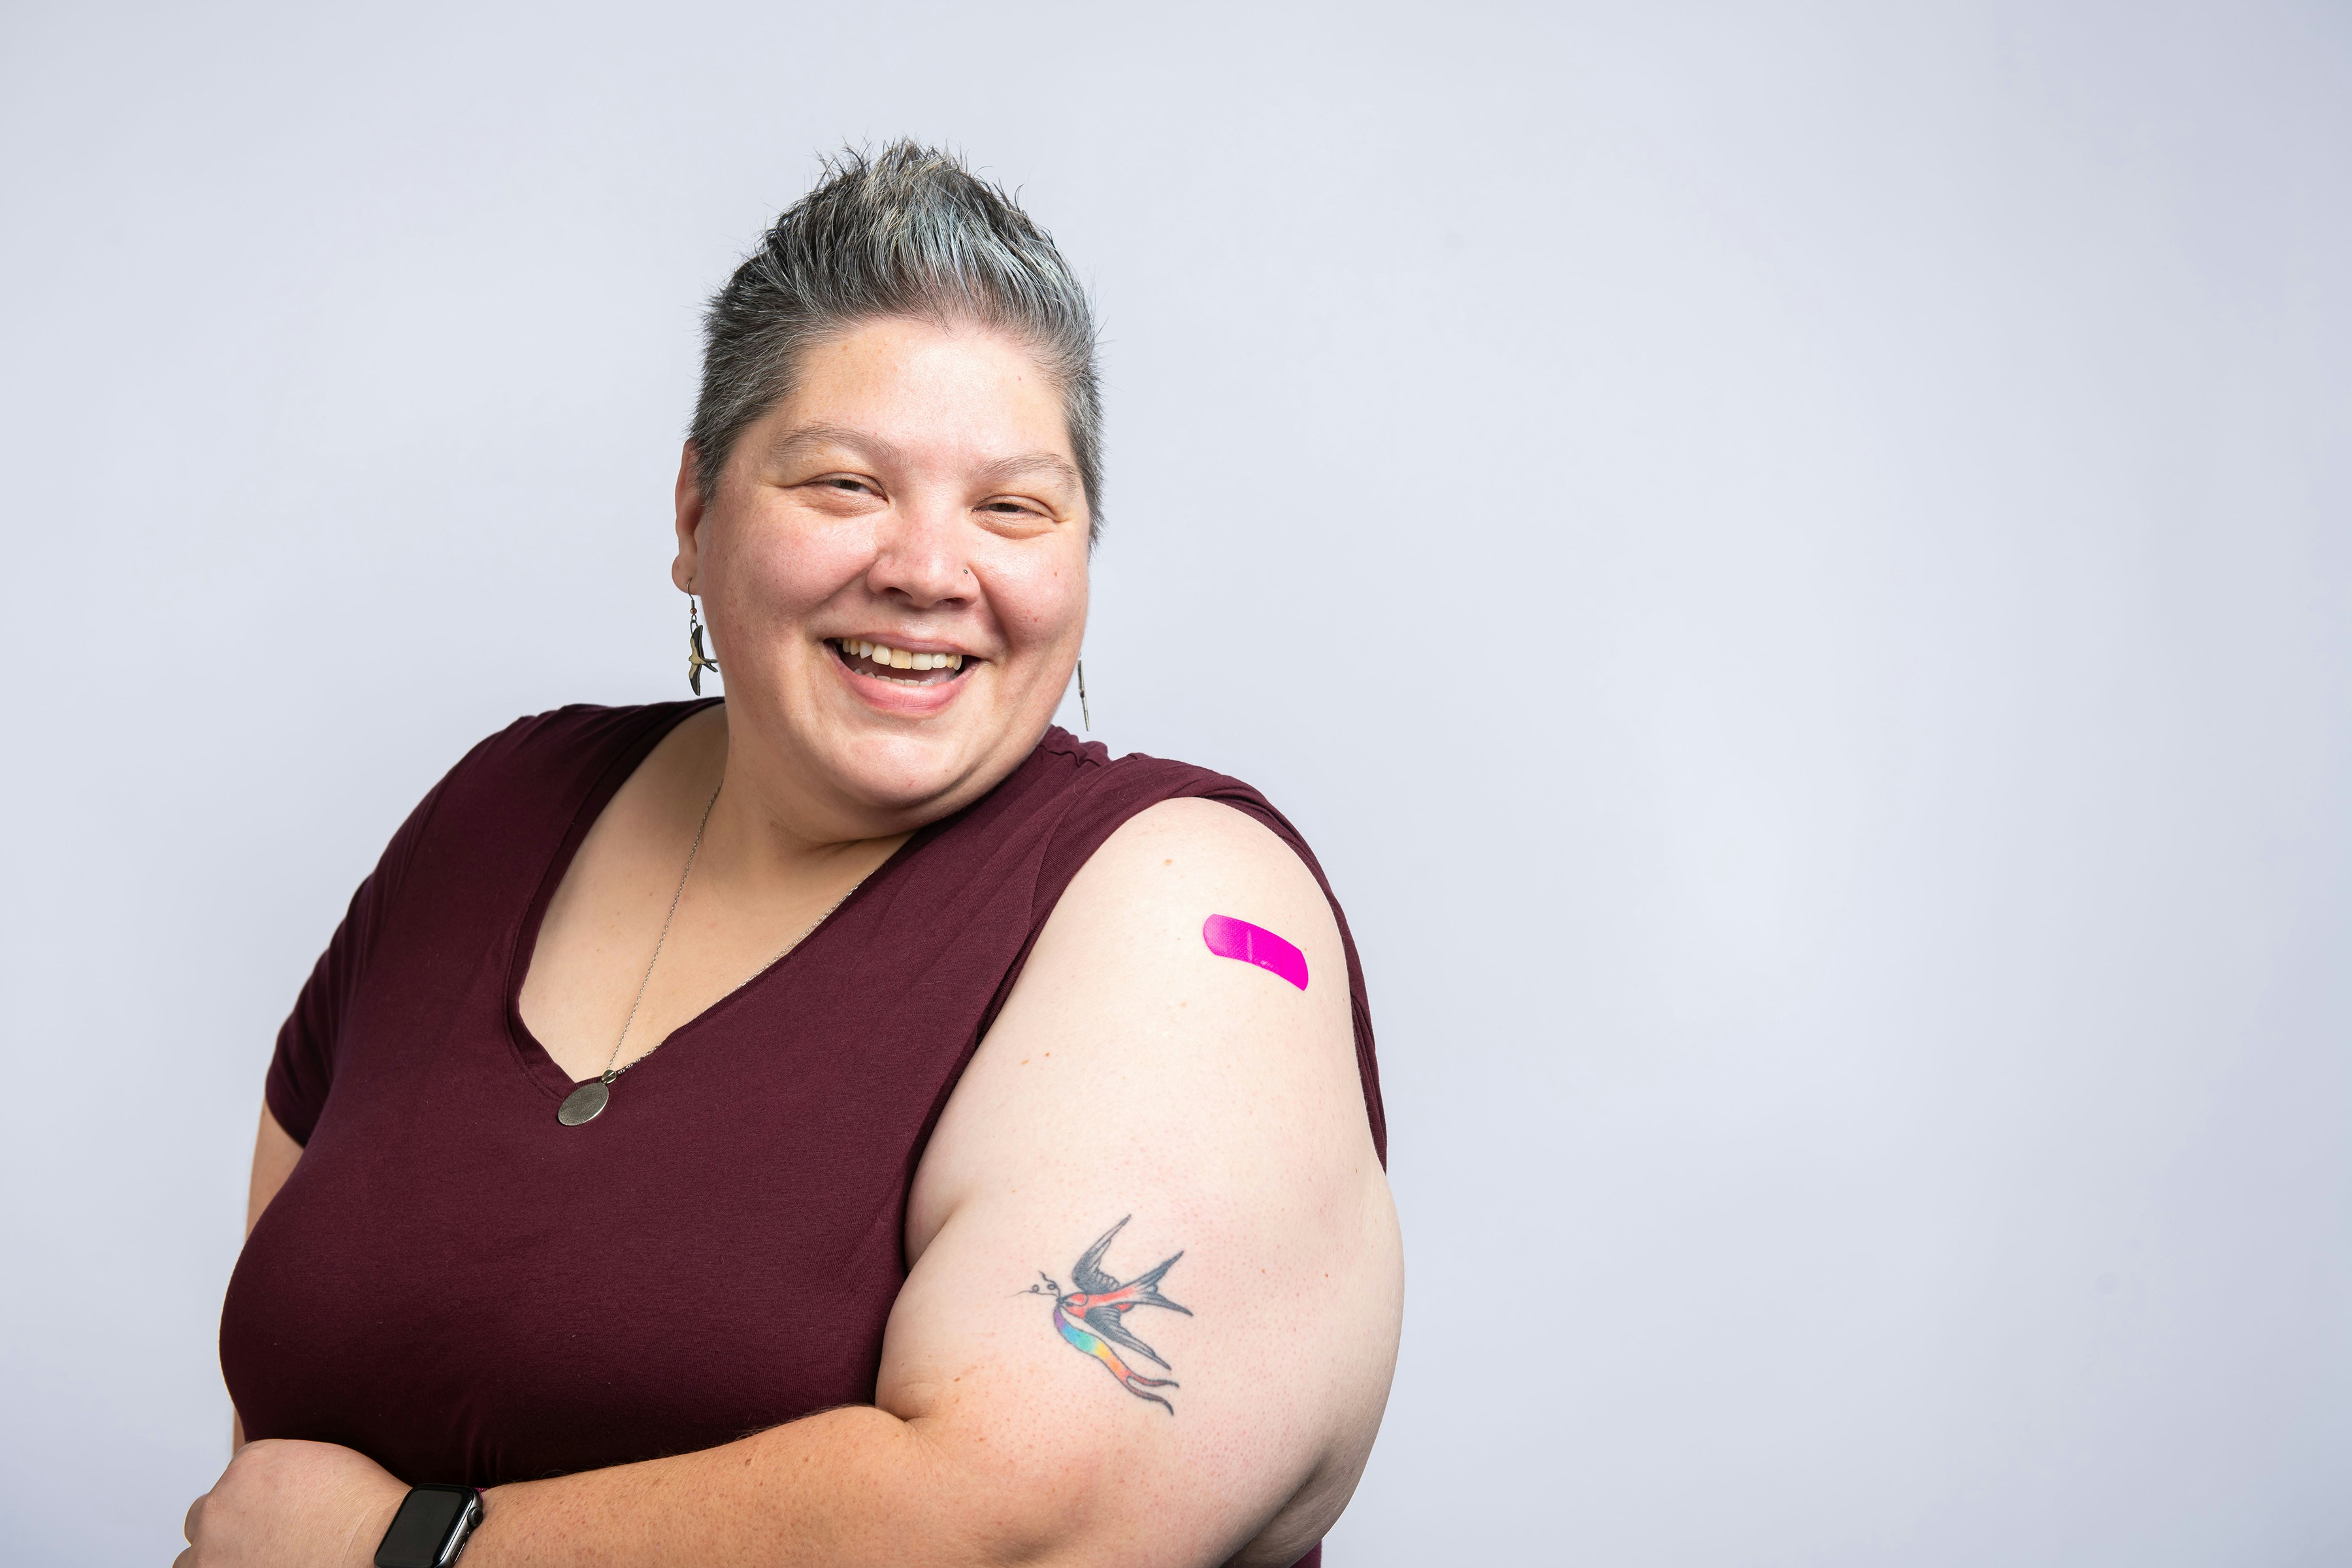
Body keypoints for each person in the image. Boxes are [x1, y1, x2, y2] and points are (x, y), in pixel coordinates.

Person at [186, 142, 1401, 1568]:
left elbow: (1028, 1523)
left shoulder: (1194, 908)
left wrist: (413, 1553)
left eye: (1013, 507)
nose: (930, 569)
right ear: (696, 511)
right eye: (844, 485)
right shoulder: (496, 810)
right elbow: (280, 1421)